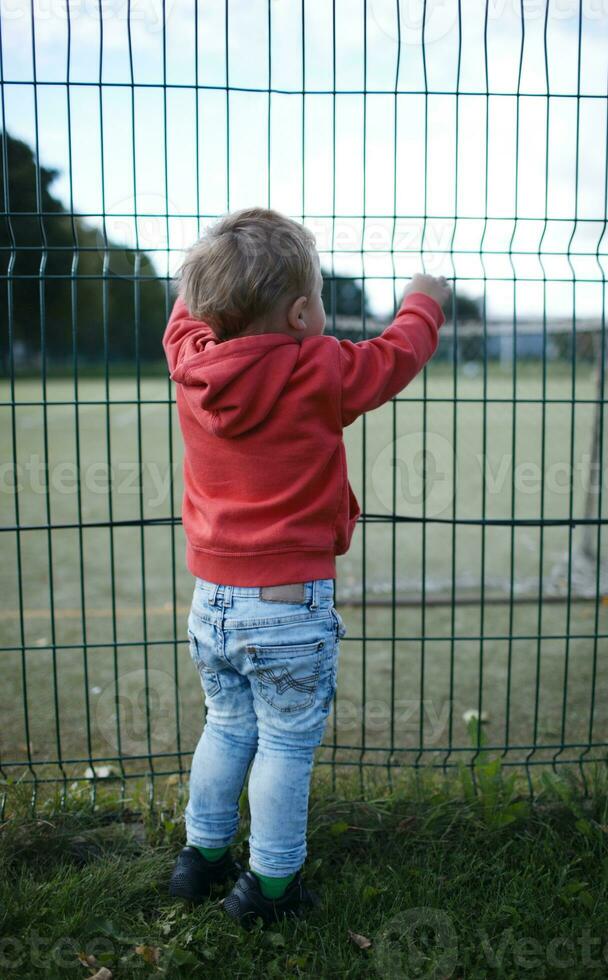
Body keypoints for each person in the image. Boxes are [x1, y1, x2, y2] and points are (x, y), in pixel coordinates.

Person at [162, 206, 450, 928]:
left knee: (226, 726)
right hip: (288, 607)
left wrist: (218, 269)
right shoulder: (319, 368)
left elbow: (183, 316)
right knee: (285, 745)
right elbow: (395, 355)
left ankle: (198, 859)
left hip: (212, 603)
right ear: (298, 314)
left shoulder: (190, 359)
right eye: (319, 299)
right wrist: (424, 299)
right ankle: (273, 886)